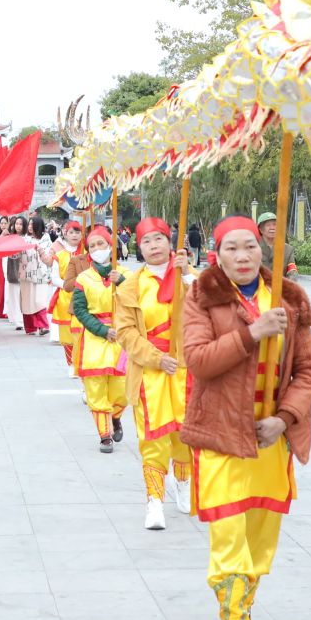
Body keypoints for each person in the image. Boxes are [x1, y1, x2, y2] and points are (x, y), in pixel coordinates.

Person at [182, 215, 311, 620]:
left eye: (249, 248)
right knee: (229, 538)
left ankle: (238, 606)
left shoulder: (289, 299)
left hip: (270, 444)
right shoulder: (202, 296)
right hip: (222, 437)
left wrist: (285, 420)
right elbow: (199, 361)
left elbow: (308, 370)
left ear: (262, 250)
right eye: (231, 249)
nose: (242, 257)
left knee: (261, 541)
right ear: (216, 255)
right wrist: (251, 334)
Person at [115, 217, 193, 528]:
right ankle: (155, 502)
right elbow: (126, 333)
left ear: (170, 241)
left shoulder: (189, 278)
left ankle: (184, 484)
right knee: (152, 440)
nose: (154, 246)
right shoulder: (130, 287)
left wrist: (188, 275)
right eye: (146, 241)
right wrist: (156, 358)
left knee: (185, 436)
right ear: (139, 247)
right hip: (150, 374)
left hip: (186, 372)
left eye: (159, 239)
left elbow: (208, 311)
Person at [70, 225, 130, 452]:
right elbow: (81, 310)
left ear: (110, 246)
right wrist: (102, 330)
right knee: (96, 388)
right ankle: (104, 434)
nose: (97, 249)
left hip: (122, 338)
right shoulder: (84, 279)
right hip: (95, 339)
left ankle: (115, 417)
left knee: (121, 390)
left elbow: (139, 301)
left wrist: (122, 282)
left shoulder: (127, 275)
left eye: (101, 244)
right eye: (92, 245)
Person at [49, 218, 86, 374]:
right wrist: (67, 285)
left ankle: (81, 364)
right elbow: (54, 277)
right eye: (71, 232)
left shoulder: (86, 254)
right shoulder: (60, 255)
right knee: (67, 336)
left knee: (81, 333)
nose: (74, 235)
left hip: (84, 297)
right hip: (65, 297)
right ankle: (71, 364)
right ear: (65, 234)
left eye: (77, 232)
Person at [19, 222, 56, 335]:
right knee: (27, 301)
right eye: (29, 225)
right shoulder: (23, 240)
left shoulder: (46, 240)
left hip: (41, 275)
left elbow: (49, 258)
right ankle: (30, 327)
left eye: (32, 224)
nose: (30, 227)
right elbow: (15, 255)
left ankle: (43, 326)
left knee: (40, 301)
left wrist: (39, 250)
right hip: (26, 275)